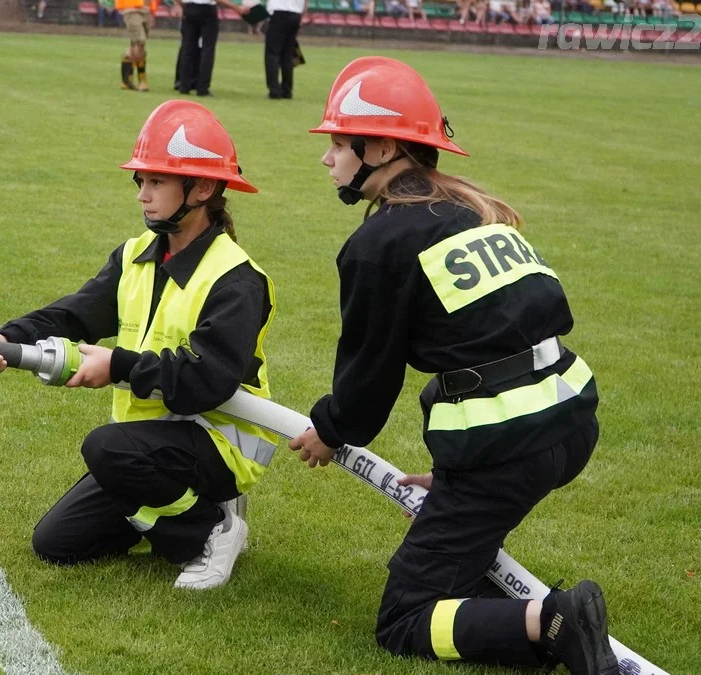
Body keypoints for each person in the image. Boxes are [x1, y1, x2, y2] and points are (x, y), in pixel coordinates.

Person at [288, 57, 617, 675]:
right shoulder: (472, 214)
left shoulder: (378, 243)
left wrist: (329, 431)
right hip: (569, 421)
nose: (327, 158)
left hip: (510, 445)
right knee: (461, 543)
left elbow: (368, 381)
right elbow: (495, 340)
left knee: (406, 617)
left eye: (338, 141)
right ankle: (496, 557)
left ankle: (552, 620)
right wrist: (457, 480)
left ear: (381, 145)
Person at [0, 100, 278, 590]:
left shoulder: (236, 279)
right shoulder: (136, 254)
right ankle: (180, 507)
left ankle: (210, 530)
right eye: (141, 182)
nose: (143, 196)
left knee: (106, 448)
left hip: (223, 441)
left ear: (202, 188)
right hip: (154, 444)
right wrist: (9, 338)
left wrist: (119, 365)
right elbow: (77, 312)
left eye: (156, 182)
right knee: (56, 543)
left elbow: (208, 380)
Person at [174, 0, 251, 96]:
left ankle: (184, 85)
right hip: (207, 9)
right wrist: (236, 8)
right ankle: (202, 88)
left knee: (188, 48)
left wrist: (182, 5)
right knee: (208, 49)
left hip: (189, 7)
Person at [265, 0, 304, 99]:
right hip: (295, 14)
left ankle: (274, 90)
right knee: (288, 54)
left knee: (272, 53)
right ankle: (287, 89)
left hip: (279, 13)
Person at [117, 0, 156, 91]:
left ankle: (127, 78)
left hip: (146, 8)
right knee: (140, 41)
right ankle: (141, 80)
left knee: (137, 44)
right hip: (132, 8)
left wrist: (151, 11)